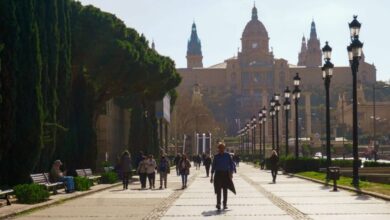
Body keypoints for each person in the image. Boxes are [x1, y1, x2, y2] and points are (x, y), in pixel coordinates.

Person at [210, 143, 236, 210]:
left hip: (225, 174)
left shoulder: (227, 155)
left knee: (225, 190)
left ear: (224, 148)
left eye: (222, 148)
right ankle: (218, 203)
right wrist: (211, 176)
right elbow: (213, 166)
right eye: (220, 148)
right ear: (218, 149)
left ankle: (224, 204)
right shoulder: (216, 156)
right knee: (218, 190)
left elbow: (231, 164)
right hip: (218, 174)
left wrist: (231, 173)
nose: (221, 149)